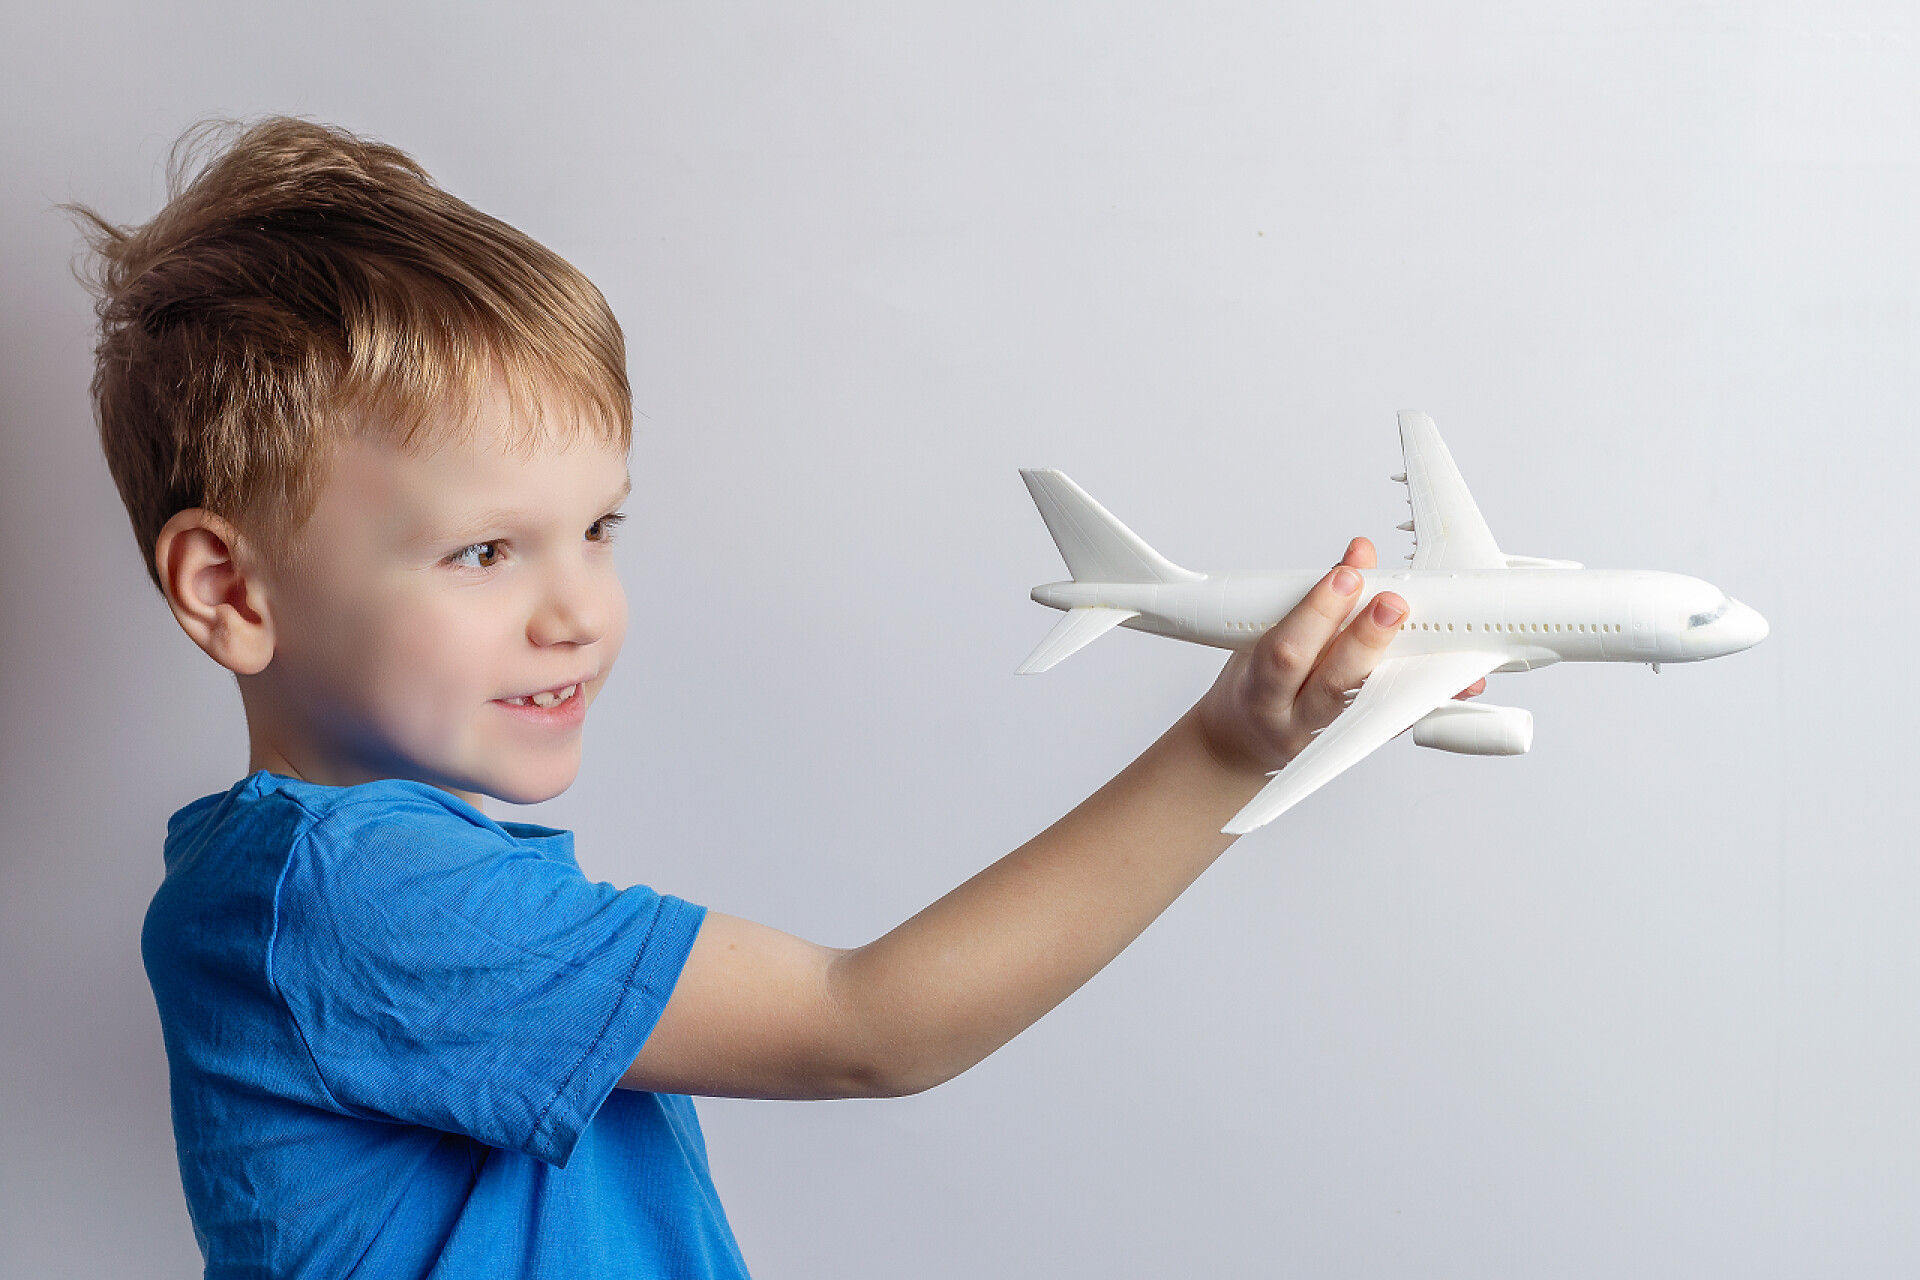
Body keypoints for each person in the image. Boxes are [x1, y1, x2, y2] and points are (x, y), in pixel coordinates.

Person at [73, 117, 1449, 1279]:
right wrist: (1230, 750)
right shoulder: (360, 896)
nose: (580, 609)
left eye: (600, 529)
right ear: (231, 592)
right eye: (485, 550)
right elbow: (873, 1023)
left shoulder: (285, 883)